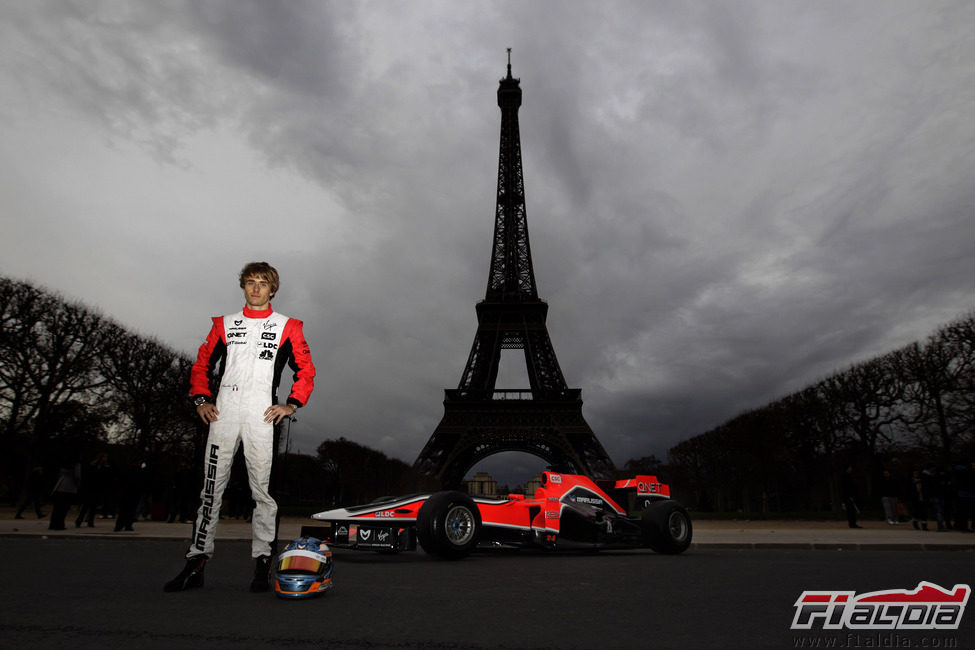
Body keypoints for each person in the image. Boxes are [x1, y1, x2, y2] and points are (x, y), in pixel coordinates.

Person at [164, 262, 315, 593]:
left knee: (262, 492)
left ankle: (263, 563)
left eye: (263, 283)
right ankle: (196, 561)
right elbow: (202, 363)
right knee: (210, 487)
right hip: (224, 413)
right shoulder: (224, 324)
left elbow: (306, 370)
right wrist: (201, 399)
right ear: (243, 287)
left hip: (262, 414)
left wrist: (292, 404)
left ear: (273, 289)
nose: (256, 288)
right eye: (250, 282)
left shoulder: (288, 326)